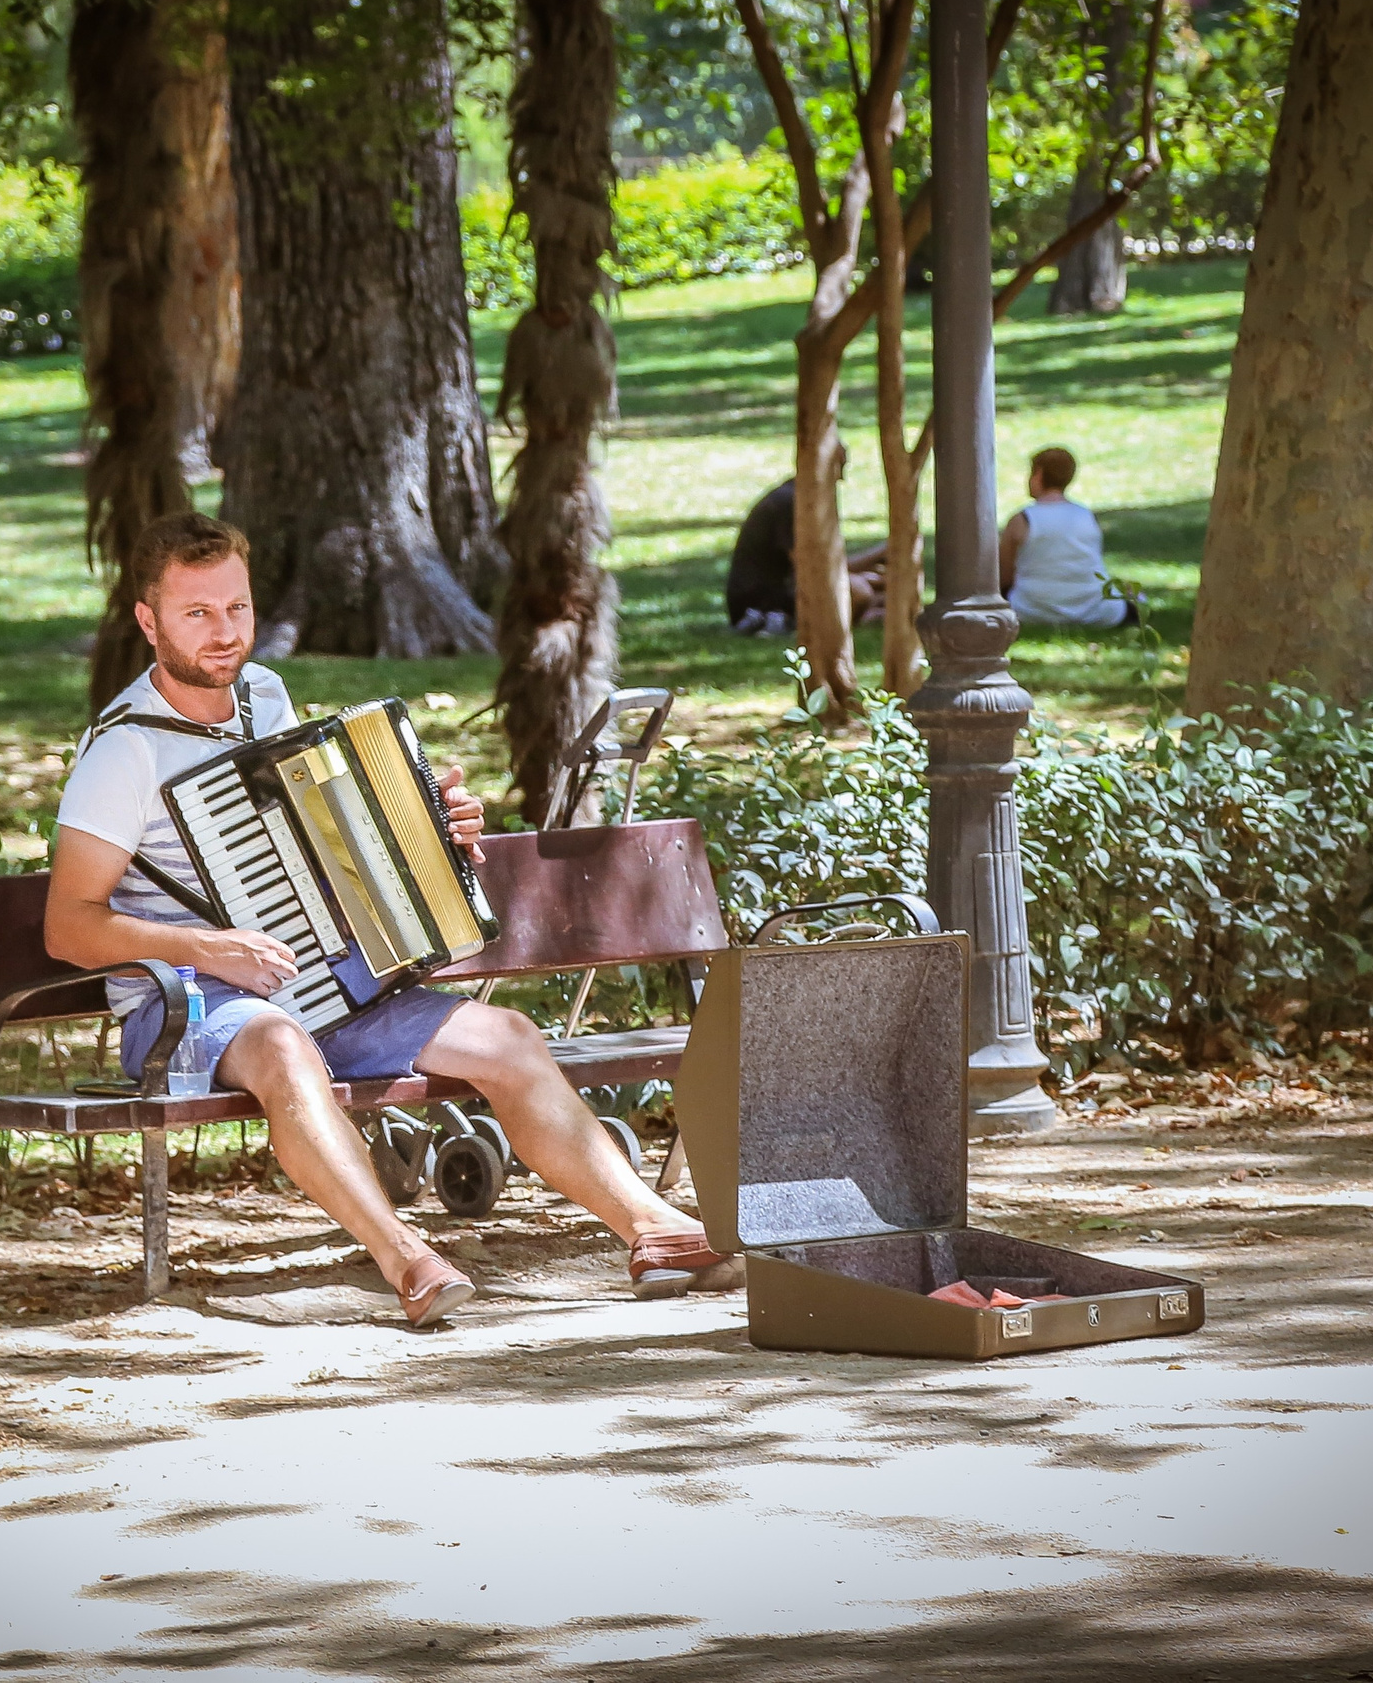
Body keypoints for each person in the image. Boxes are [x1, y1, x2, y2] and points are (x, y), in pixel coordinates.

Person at [45, 511, 738, 1329]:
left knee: (508, 1038)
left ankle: (654, 1230)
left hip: (314, 979)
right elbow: (69, 927)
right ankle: (406, 1257)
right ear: (148, 620)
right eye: (197, 613)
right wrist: (206, 948)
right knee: (278, 1044)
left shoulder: (265, 698)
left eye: (237, 607)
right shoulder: (122, 751)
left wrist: (431, 836)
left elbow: (313, 851)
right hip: (184, 1005)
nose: (224, 632)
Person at [725, 465, 887, 636]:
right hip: (762, 603)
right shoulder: (792, 503)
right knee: (859, 590)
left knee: (883, 587)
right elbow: (814, 572)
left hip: (791, 590)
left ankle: (860, 616)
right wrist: (880, 554)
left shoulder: (799, 497)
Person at [1000, 447, 1136, 629]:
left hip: (1031, 609)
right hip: (1093, 609)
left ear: (1038, 474)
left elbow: (1004, 575)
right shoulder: (1087, 516)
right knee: (1132, 596)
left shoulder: (1022, 519)